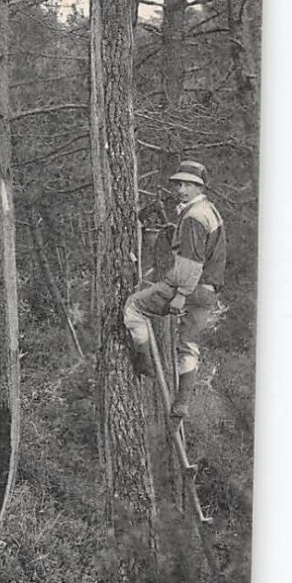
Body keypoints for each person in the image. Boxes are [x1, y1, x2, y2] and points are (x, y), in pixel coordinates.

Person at [124, 160, 226, 419]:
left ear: (198, 187)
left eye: (187, 184)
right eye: (178, 184)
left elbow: (192, 262)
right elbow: (203, 251)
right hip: (208, 292)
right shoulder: (208, 211)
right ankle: (182, 403)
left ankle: (144, 362)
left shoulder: (193, 217)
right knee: (189, 346)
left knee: (134, 307)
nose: (180, 189)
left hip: (189, 287)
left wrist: (180, 295)